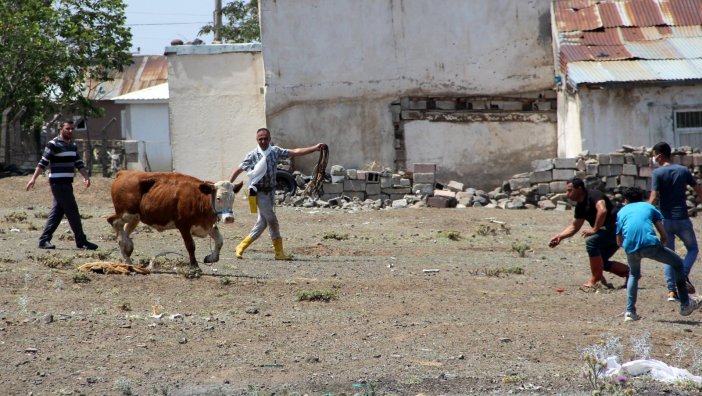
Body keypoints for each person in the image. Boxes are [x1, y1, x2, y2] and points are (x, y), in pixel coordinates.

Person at [229, 127, 325, 260]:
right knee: (272, 221)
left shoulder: (275, 152)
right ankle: (279, 253)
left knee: (262, 223)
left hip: (270, 193)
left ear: (270, 139)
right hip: (258, 193)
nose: (263, 141)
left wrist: (314, 148)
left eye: (265, 139)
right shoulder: (252, 155)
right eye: (260, 139)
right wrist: (228, 184)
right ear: (257, 140)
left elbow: (295, 152)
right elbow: (238, 170)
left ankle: (241, 246)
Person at [616, 187, 700, 321]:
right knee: (678, 264)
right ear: (642, 197)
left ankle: (630, 311)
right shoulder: (648, 207)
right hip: (650, 244)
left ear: (626, 200)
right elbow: (661, 229)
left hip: (631, 248)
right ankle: (685, 304)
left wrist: (629, 246)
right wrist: (663, 241)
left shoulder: (621, 212)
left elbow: (619, 240)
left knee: (633, 274)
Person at [25, 120, 98, 250]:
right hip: (57, 184)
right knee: (72, 211)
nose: (70, 131)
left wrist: (86, 176)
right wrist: (33, 178)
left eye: (72, 129)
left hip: (67, 183)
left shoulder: (72, 146)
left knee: (57, 212)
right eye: (67, 129)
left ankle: (44, 240)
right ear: (61, 129)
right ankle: (81, 241)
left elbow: (79, 163)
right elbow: (43, 163)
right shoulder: (53, 144)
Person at [548, 178, 629, 288]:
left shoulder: (594, 194)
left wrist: (595, 229)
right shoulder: (580, 206)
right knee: (601, 262)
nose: (567, 194)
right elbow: (574, 226)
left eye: (570, 190)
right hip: (608, 231)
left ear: (579, 188)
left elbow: (602, 210)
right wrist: (560, 237)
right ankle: (630, 274)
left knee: (591, 243)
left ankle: (595, 278)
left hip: (617, 227)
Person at [648, 141, 700, 301]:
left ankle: (672, 291)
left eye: (654, 155)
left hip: (665, 220)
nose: (653, 158)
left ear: (660, 155)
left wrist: (645, 213)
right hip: (682, 218)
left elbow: (654, 197)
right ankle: (682, 275)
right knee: (692, 249)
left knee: (668, 254)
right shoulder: (683, 170)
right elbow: (698, 190)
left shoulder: (658, 173)